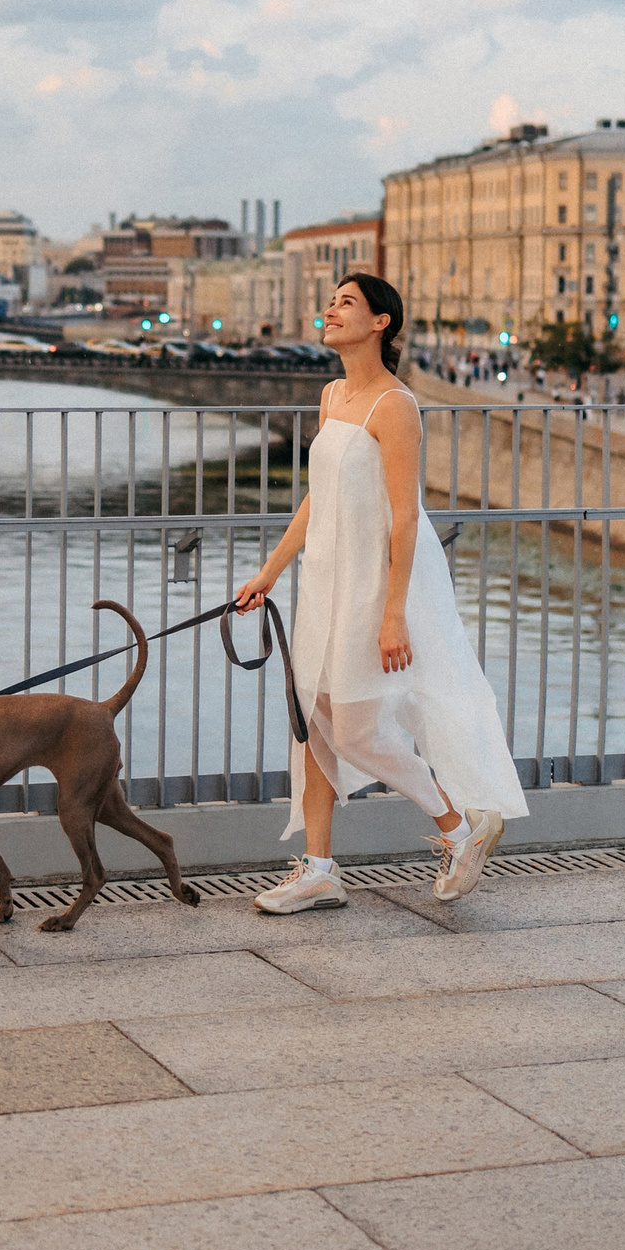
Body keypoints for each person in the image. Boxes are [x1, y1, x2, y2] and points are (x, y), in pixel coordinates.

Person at [232, 273, 526, 915]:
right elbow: (319, 498)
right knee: (311, 721)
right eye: (331, 301)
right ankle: (318, 870)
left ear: (380, 323)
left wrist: (394, 613)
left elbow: (404, 516)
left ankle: (458, 826)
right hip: (326, 580)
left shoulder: (395, 406)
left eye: (345, 304)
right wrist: (271, 570)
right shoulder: (332, 394)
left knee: (358, 730)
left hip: (372, 586)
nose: (330, 311)